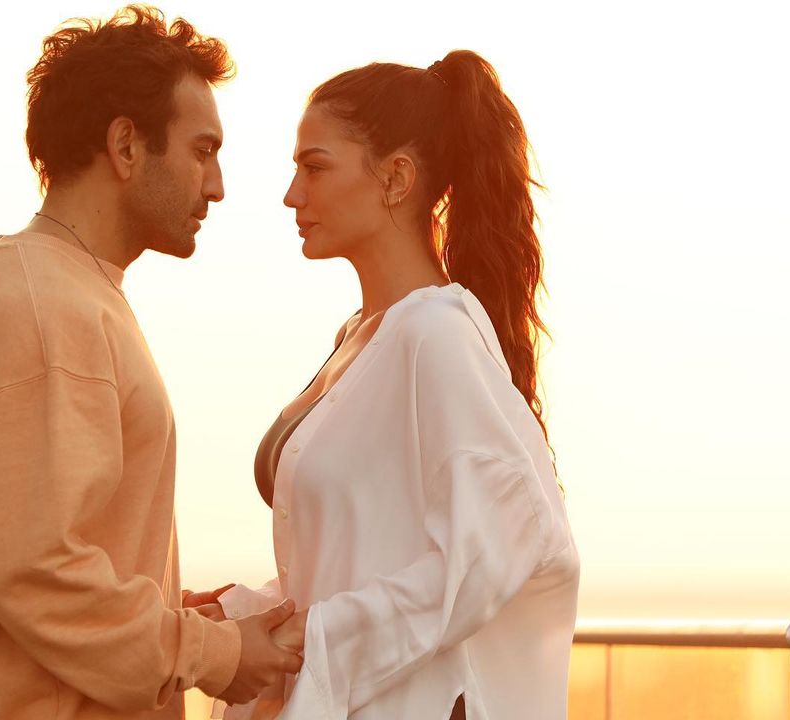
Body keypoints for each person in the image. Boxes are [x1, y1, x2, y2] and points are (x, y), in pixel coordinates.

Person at [0, 7, 301, 719]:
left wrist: (174, 613)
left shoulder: (63, 292)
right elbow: (36, 571)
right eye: (203, 150)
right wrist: (210, 654)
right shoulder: (44, 309)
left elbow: (45, 551)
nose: (217, 186)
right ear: (126, 146)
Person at [214, 51, 580, 720]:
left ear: (397, 178)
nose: (292, 194)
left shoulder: (435, 332)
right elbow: (360, 556)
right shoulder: (360, 336)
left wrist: (312, 639)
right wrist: (242, 616)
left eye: (314, 167)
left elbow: (497, 547)